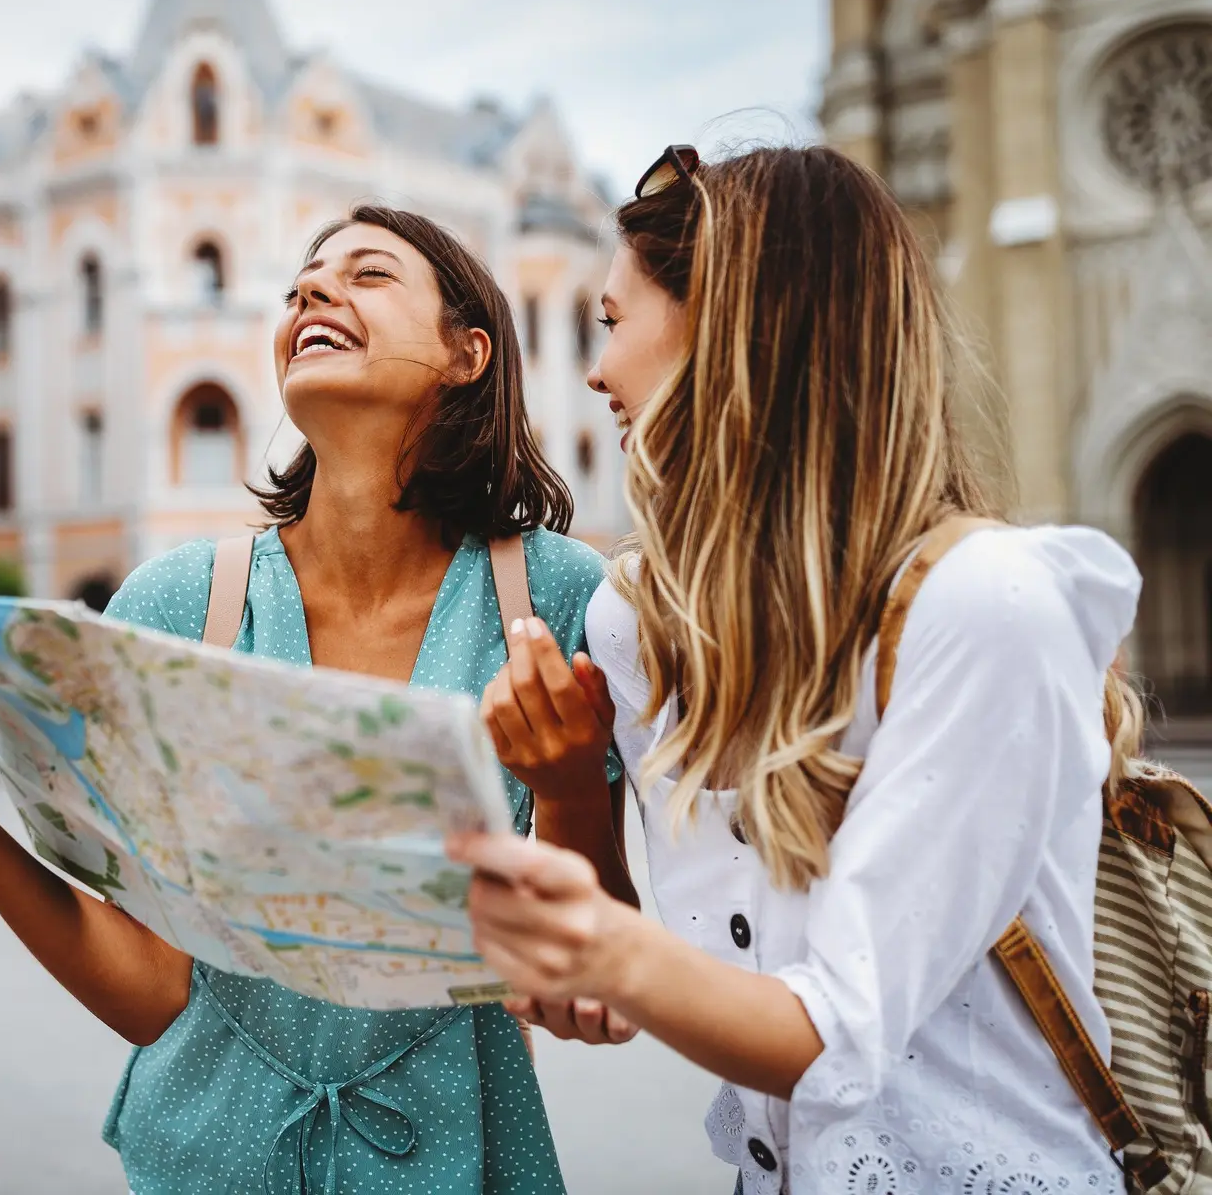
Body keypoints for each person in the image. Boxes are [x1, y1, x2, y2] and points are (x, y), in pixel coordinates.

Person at [0, 205, 631, 1193]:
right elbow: (154, 993)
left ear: (468, 352)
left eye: (366, 275)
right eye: (301, 285)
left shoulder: (556, 597)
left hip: (459, 1167)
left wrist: (574, 787)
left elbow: (593, 979)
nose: (312, 293)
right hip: (200, 1164)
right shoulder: (177, 601)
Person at [450, 145, 1144, 1190]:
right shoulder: (639, 621)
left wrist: (592, 944)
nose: (594, 372)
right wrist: (563, 795)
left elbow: (835, 1032)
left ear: (728, 327)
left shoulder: (983, 603)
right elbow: (638, 991)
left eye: (612, 321)